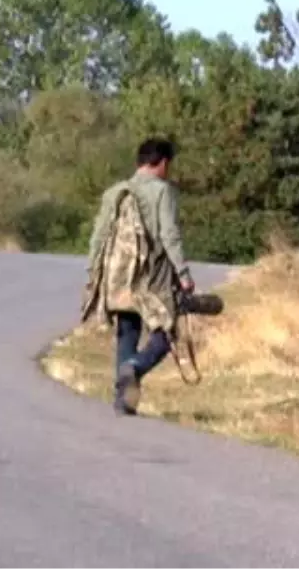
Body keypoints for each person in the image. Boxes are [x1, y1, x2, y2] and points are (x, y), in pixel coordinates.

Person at [81, 137, 195, 416]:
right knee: (167, 333)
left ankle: (124, 401)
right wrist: (183, 273)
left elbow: (98, 237)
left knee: (127, 330)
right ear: (164, 163)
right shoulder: (162, 192)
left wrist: (93, 273)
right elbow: (169, 234)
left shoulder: (114, 192)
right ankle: (135, 367)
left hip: (116, 277)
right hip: (151, 277)